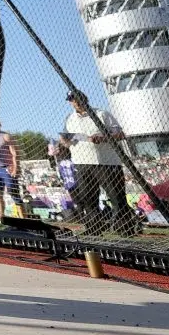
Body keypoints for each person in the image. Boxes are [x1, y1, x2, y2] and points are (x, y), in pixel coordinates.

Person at [60, 91, 138, 237]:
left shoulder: (102, 114)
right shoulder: (69, 118)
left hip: (106, 162)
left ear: (85, 98)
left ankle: (125, 228)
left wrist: (103, 137)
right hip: (82, 163)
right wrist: (64, 141)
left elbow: (120, 134)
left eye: (77, 98)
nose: (75, 102)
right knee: (88, 198)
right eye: (71, 100)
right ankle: (94, 228)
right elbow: (64, 138)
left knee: (116, 197)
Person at [0, 118, 23, 224]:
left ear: (0, 124)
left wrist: (16, 167)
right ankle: (1, 219)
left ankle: (23, 219)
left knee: (13, 193)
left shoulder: (6, 136)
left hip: (6, 168)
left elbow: (15, 153)